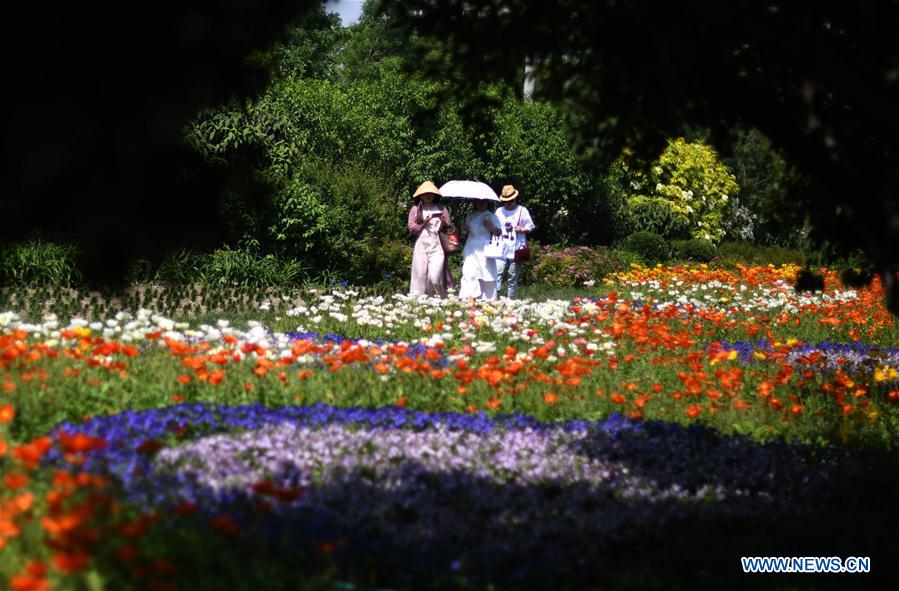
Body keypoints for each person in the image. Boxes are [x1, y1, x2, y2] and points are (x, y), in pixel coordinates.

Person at [408, 181, 455, 298]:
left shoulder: (441, 208)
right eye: (425, 193)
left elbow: (448, 227)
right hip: (421, 245)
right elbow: (411, 228)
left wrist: (444, 221)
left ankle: (437, 299)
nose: (428, 196)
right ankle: (417, 303)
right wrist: (424, 223)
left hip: (437, 245)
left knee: (434, 276)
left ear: (435, 195)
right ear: (421, 195)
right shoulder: (416, 209)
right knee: (419, 276)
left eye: (431, 193)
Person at [494, 184, 535, 299]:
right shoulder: (499, 211)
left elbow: (530, 226)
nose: (509, 203)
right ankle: (495, 297)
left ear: (515, 199)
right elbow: (496, 226)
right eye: (506, 201)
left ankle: (510, 300)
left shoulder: (522, 210)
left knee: (512, 275)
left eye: (511, 201)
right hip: (500, 247)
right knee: (497, 272)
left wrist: (522, 229)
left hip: (516, 248)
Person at [459, 199, 502, 301]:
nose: (481, 204)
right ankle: (469, 297)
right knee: (469, 272)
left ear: (487, 203)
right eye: (479, 202)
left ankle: (488, 299)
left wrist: (491, 227)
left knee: (487, 273)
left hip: (485, 248)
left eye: (484, 202)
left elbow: (499, 233)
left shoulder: (492, 216)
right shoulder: (470, 216)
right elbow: (465, 232)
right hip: (471, 247)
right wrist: (464, 229)